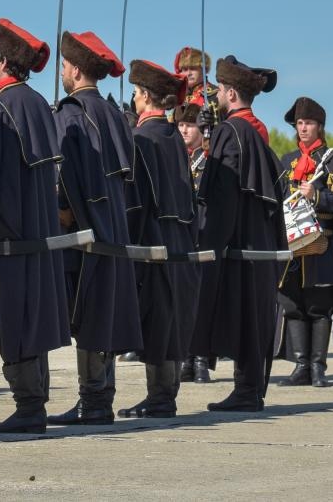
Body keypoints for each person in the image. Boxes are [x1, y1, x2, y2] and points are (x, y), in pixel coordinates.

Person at [0, 18, 72, 435]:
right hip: (38, 236)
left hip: (8, 243)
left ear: (0, 61)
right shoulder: (36, 105)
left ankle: (28, 407)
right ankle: (35, 404)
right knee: (33, 322)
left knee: (13, 324)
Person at [50, 30, 144, 426]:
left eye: (62, 67)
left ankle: (93, 401)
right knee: (104, 312)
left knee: (87, 316)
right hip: (115, 228)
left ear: (72, 69)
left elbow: (64, 174)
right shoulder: (114, 114)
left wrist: (61, 214)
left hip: (83, 233)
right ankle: (101, 398)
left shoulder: (71, 111)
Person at [189, 55, 284, 413]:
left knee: (243, 315)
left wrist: (209, 241)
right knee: (252, 316)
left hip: (238, 243)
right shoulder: (252, 129)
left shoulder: (233, 131)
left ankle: (246, 392)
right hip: (258, 242)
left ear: (229, 91)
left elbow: (225, 191)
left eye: (218, 91)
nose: (213, 96)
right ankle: (249, 389)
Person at [118, 60, 201, 419]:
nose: (134, 100)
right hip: (181, 240)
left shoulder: (141, 138)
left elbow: (136, 201)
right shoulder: (173, 138)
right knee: (172, 319)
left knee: (156, 320)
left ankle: (160, 398)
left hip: (153, 242)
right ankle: (164, 396)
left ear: (146, 95)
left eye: (136, 93)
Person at [275, 97, 333, 387]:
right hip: (291, 249)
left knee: (318, 307)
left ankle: (317, 367)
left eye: (309, 123)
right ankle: (300, 365)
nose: (303, 128)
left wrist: (317, 196)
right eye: (300, 123)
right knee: (292, 305)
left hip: (323, 248)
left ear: (320, 127)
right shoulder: (288, 161)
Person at [175, 103, 211, 384]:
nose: (184, 129)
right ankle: (185, 358)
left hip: (203, 233)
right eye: (181, 125)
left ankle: (200, 359)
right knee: (183, 302)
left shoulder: (208, 161)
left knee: (202, 301)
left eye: (190, 125)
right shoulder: (176, 158)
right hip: (182, 237)